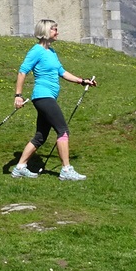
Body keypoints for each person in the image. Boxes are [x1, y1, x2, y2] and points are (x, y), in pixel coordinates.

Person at [12, 19, 94, 181]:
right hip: (43, 96)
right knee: (63, 130)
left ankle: (19, 167)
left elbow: (62, 72)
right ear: (45, 32)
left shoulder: (52, 52)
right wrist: (18, 96)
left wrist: (82, 81)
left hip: (48, 97)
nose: (57, 32)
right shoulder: (36, 50)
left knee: (40, 136)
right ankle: (66, 170)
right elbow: (22, 71)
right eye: (54, 29)